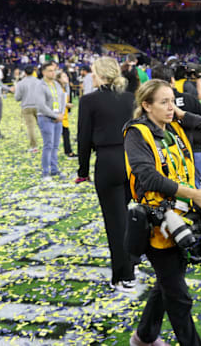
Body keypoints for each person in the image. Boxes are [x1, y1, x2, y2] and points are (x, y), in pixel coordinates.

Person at [124, 79, 201, 346]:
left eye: (172, 100)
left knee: (166, 283)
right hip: (157, 223)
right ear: (146, 105)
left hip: (183, 221)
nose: (170, 107)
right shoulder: (136, 133)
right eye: (163, 102)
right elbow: (148, 177)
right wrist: (193, 194)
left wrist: (183, 114)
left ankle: (144, 336)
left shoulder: (175, 128)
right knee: (178, 296)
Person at [76, 57, 137, 290]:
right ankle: (131, 261)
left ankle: (124, 275)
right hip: (132, 161)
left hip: (109, 162)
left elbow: (83, 139)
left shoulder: (89, 100)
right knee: (127, 216)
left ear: (99, 75)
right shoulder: (130, 98)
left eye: (93, 72)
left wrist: (83, 170)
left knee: (115, 222)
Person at [150, 64, 201, 190]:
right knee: (193, 192)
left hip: (163, 152)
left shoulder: (151, 104)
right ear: (172, 80)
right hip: (192, 150)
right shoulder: (188, 99)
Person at [36, 62, 66, 179]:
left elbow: (62, 99)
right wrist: (55, 115)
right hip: (45, 117)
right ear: (43, 72)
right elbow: (41, 105)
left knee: (55, 145)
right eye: (50, 70)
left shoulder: (56, 85)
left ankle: (54, 169)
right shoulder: (40, 86)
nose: (53, 73)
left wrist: (62, 113)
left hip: (57, 117)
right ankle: (45, 172)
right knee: (48, 145)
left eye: (54, 70)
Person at [14, 66, 40, 153]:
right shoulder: (39, 82)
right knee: (43, 126)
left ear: (24, 73)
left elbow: (17, 98)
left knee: (30, 128)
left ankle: (34, 147)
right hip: (39, 106)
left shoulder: (21, 83)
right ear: (33, 71)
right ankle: (49, 144)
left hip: (27, 106)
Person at [56, 71, 76, 158]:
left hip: (64, 115)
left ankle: (68, 151)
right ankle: (68, 152)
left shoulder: (64, 88)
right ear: (59, 79)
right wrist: (66, 105)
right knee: (64, 134)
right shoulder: (58, 89)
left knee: (65, 134)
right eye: (64, 76)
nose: (66, 77)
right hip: (59, 116)